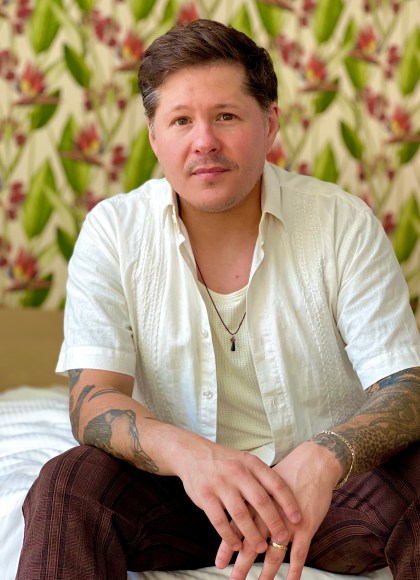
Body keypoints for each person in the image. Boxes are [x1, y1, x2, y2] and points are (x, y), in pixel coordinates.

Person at [17, 19, 419, 580]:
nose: (203, 140)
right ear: (154, 137)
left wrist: (327, 456)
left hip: (325, 499)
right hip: (179, 498)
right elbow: (92, 399)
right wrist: (192, 456)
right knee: (67, 483)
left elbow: (406, 387)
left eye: (226, 116)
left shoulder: (341, 222)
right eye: (181, 120)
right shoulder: (113, 232)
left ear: (269, 123)